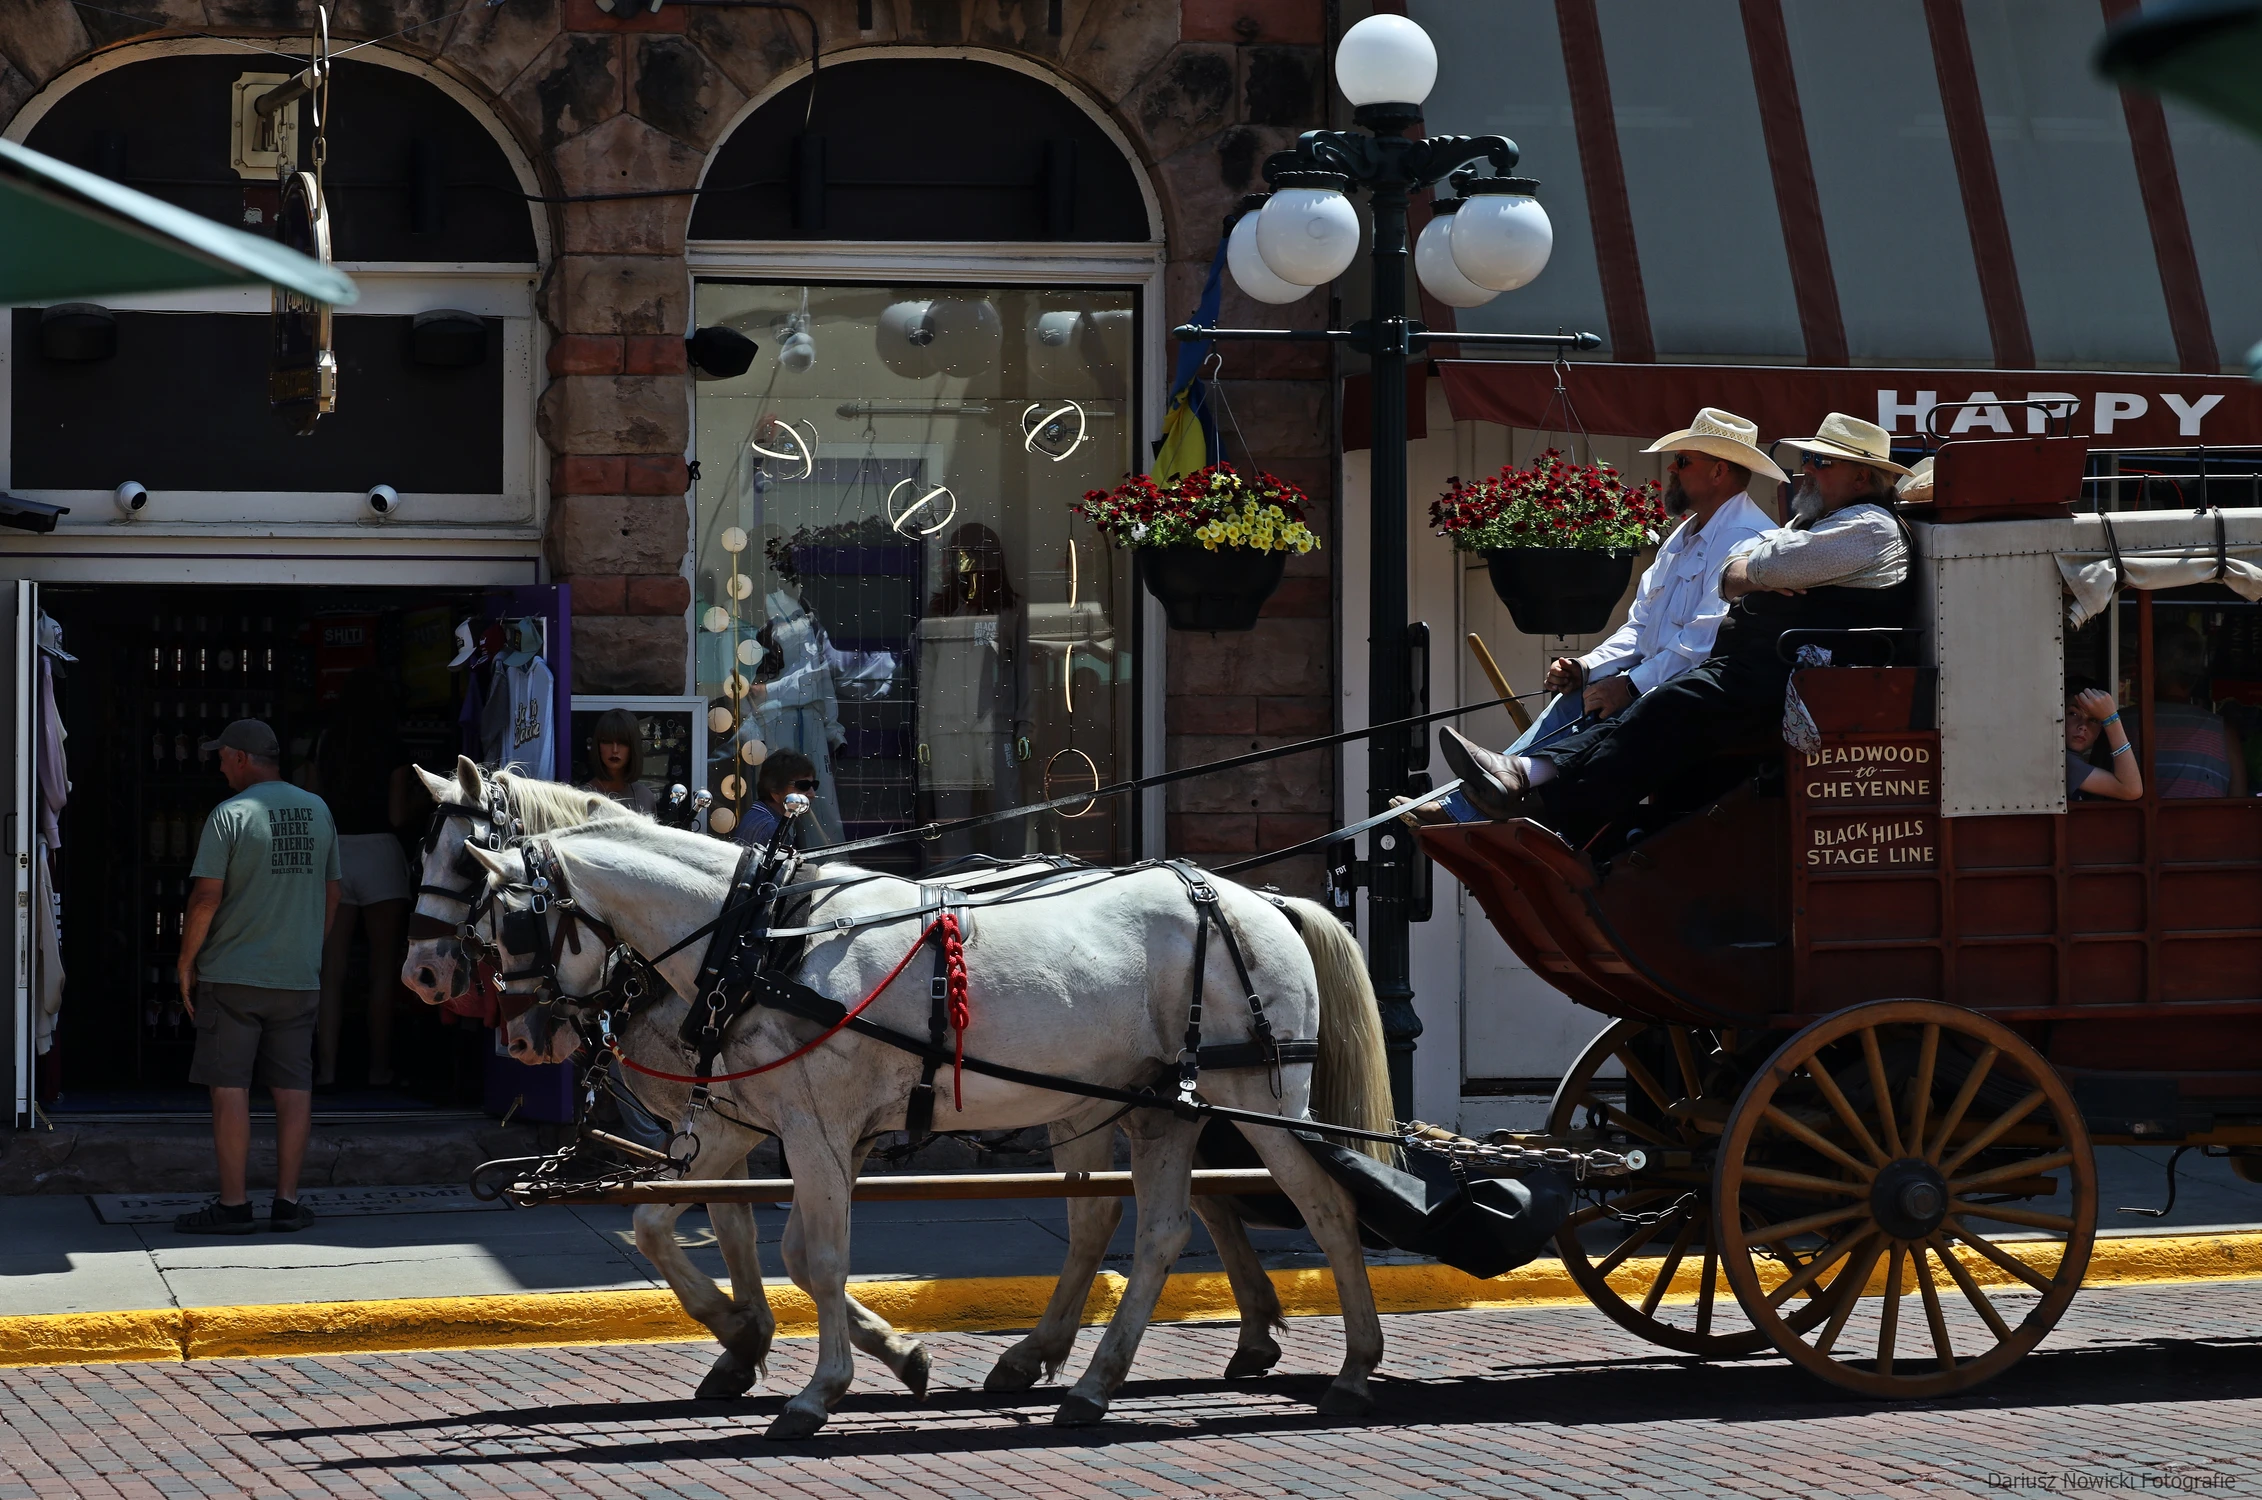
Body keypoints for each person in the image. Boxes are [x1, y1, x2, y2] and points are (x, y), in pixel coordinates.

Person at [1442, 412, 1916, 844]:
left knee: (1663, 703)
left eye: (1821, 462)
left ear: (1861, 476)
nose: (1806, 469)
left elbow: (1763, 566)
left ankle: (1543, 806)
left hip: (1801, 678)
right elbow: (1731, 576)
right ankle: (1514, 780)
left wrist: (1755, 569)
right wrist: (1592, 666)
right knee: (1627, 702)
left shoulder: (1867, 526)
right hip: (1766, 666)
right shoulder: (1811, 524)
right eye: (1809, 458)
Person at [1429, 409, 1781, 824]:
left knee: (1601, 704)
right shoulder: (1683, 537)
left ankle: (1470, 809)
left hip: (1691, 701)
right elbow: (1641, 628)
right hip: (1658, 685)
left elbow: (1701, 646)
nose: (1671, 468)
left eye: (1683, 461)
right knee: (1576, 695)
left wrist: (1629, 687)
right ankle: (1478, 801)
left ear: (1719, 471)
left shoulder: (1746, 540)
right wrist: (1587, 666)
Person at [173, 720, 341, 1235]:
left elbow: (205, 898)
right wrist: (306, 946)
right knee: (294, 1090)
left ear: (242, 757)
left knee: (230, 1089)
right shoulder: (319, 810)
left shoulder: (230, 816)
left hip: (233, 975)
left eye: (222, 755)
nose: (218, 765)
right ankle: (288, 1203)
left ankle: (233, 1206)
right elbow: (332, 893)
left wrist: (185, 962)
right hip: (297, 978)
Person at [308, 674, 418, 1089]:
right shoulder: (392, 745)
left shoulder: (325, 741)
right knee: (382, 972)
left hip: (336, 851)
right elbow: (395, 816)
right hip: (380, 853)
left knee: (330, 973)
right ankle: (378, 1070)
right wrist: (422, 800)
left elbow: (312, 799)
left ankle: (328, 1071)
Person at [2153, 629, 2247, 798]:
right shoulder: (2224, 732)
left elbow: (2096, 800)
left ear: (2152, 670)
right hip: (2209, 825)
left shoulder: (2118, 725)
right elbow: (2239, 802)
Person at [2065, 683, 2142, 801]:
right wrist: (2111, 719)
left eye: (2094, 719)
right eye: (2073, 713)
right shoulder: (2065, 761)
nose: (2083, 726)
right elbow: (2131, 790)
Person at [732, 748, 818, 847]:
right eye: (803, 785)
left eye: (814, 785)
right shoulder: (770, 828)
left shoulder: (762, 817)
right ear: (775, 790)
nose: (812, 794)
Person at [583, 708, 659, 814]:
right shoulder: (580, 799)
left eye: (623, 743)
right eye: (607, 742)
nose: (614, 750)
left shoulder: (644, 797)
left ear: (633, 748)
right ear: (598, 746)